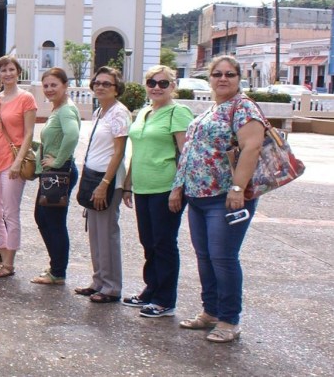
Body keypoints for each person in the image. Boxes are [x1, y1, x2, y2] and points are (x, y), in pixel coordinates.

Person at [173, 55, 263, 343]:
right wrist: (179, 187)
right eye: (217, 74)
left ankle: (229, 320)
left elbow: (251, 147)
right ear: (209, 78)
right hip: (198, 196)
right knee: (205, 257)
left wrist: (238, 188)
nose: (223, 79)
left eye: (230, 74)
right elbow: (188, 153)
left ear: (239, 79)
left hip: (225, 198)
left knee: (223, 258)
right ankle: (210, 311)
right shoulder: (212, 109)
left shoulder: (243, 107)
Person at [121, 65, 194, 318]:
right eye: (152, 82)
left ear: (173, 86)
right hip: (143, 186)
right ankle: (150, 290)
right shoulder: (143, 113)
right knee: (148, 242)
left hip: (166, 187)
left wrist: (178, 188)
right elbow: (137, 151)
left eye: (163, 83)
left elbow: (186, 155)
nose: (157, 87)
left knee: (164, 243)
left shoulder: (178, 112)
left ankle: (165, 299)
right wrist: (128, 184)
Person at [75, 66, 131, 303]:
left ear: (116, 88)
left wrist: (105, 183)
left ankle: (111, 286)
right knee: (95, 233)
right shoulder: (100, 111)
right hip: (93, 175)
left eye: (106, 84)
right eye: (97, 82)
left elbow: (119, 152)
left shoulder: (119, 113)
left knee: (107, 234)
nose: (100, 87)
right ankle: (98, 280)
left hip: (106, 180)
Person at [0, 54, 37, 278]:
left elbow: (30, 132)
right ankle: (2, 256)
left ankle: (9, 263)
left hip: (12, 163)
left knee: (10, 212)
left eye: (11, 69)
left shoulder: (26, 98)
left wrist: (18, 161)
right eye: (3, 70)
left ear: (18, 72)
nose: (8, 74)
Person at [30, 68, 80, 286]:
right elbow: (56, 140)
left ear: (65, 85)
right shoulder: (58, 109)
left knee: (54, 222)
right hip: (51, 173)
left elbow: (73, 135)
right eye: (46, 85)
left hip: (59, 172)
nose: (49, 89)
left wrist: (58, 161)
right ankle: (56, 265)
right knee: (43, 218)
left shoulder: (65, 111)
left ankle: (58, 271)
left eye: (54, 85)